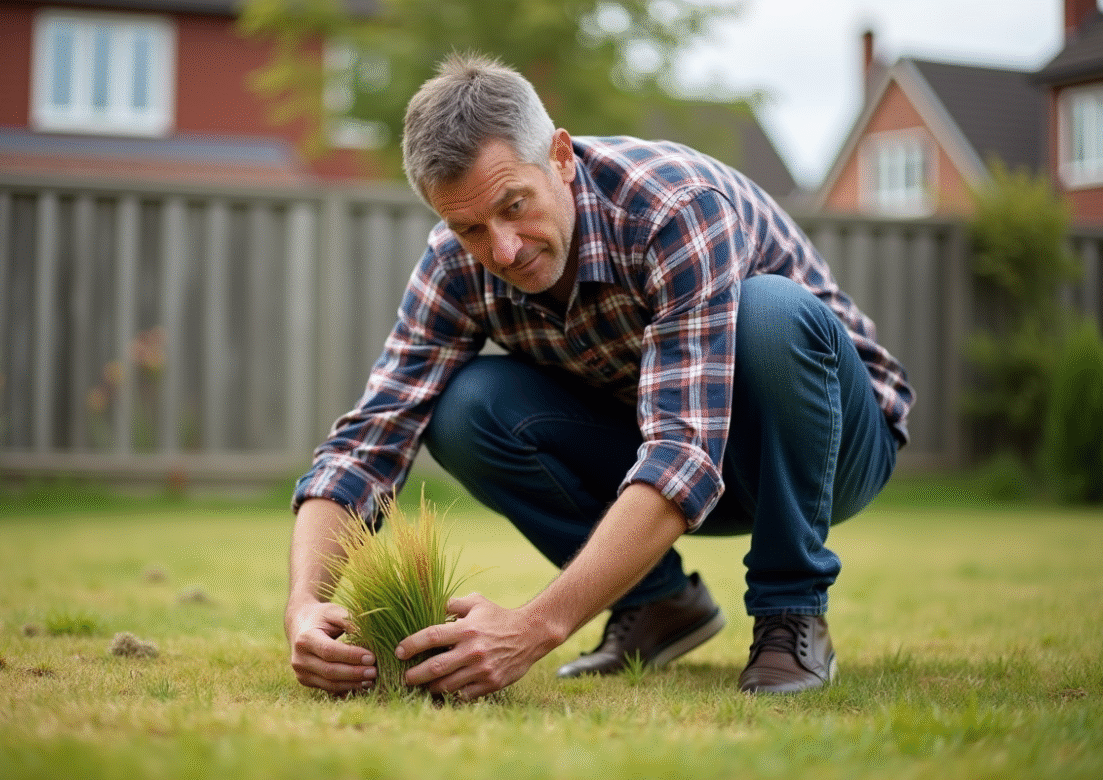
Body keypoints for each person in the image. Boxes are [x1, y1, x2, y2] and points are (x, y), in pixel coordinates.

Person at [286, 53, 914, 700]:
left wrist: (533, 627)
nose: (503, 249)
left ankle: (791, 613)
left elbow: (685, 451)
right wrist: (305, 605)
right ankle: (658, 604)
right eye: (469, 227)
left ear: (560, 156)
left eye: (514, 205)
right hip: (667, 453)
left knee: (771, 314)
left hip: (828, 448)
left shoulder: (672, 208)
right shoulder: (454, 264)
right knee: (465, 408)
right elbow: (366, 445)